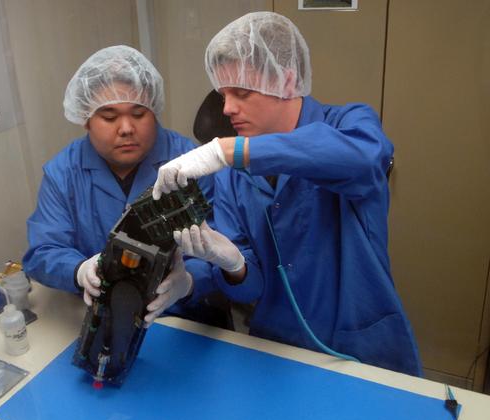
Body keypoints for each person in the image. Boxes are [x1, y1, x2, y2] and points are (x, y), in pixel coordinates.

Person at [152, 12, 422, 376]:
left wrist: (234, 151)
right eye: (223, 94)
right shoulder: (232, 177)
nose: (227, 108)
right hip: (276, 351)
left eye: (241, 93)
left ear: (287, 79)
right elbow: (251, 287)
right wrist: (234, 265)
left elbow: (365, 160)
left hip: (361, 347)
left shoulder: (349, 123)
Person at [23, 45, 225, 328]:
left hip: (182, 319)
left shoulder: (191, 163)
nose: (126, 128)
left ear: (154, 111)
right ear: (85, 119)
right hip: (100, 315)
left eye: (139, 114)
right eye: (109, 117)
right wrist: (79, 270)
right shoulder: (63, 173)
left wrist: (188, 281)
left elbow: (221, 246)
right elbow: (43, 250)